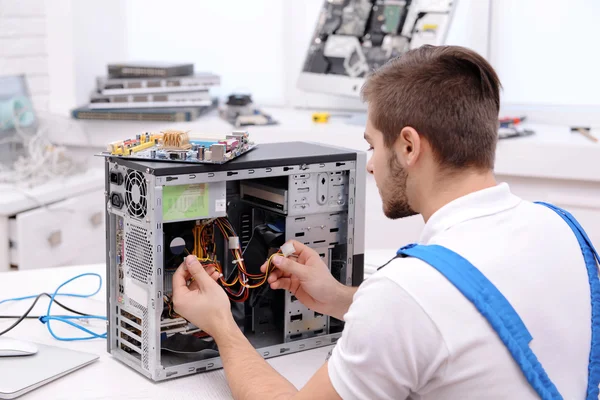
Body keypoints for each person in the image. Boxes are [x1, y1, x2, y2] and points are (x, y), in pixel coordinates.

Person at [172, 45, 599, 399]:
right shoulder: (565, 231)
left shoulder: (406, 293)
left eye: (372, 145)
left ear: (409, 146)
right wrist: (340, 298)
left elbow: (415, 310)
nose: (371, 166)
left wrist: (222, 325)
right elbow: (462, 316)